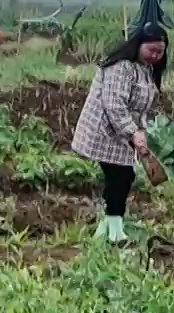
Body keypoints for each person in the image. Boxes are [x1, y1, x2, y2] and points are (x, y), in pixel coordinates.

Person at [71, 21, 168, 242]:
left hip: (122, 132)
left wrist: (140, 130)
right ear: (138, 45)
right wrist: (133, 132)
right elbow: (114, 104)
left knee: (120, 178)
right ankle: (115, 232)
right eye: (151, 50)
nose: (155, 55)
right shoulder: (121, 66)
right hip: (104, 130)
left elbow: (139, 106)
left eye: (159, 52)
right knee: (121, 176)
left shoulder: (145, 69)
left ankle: (104, 230)